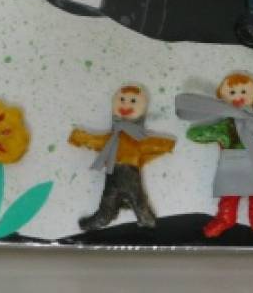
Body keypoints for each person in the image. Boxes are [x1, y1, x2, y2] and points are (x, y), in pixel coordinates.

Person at [176, 72, 253, 241]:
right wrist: (210, 132)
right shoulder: (225, 125)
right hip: (232, 167)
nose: (238, 97)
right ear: (222, 97)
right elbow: (195, 134)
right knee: (229, 199)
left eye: (244, 92)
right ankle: (225, 219)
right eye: (232, 92)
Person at [69, 84, 176, 231]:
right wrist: (80, 137)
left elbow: (152, 143)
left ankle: (142, 218)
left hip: (130, 174)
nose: (126, 105)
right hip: (113, 175)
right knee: (116, 199)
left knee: (136, 200)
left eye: (133, 101)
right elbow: (96, 141)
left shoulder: (138, 139)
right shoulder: (111, 137)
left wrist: (167, 145)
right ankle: (106, 217)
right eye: (122, 99)